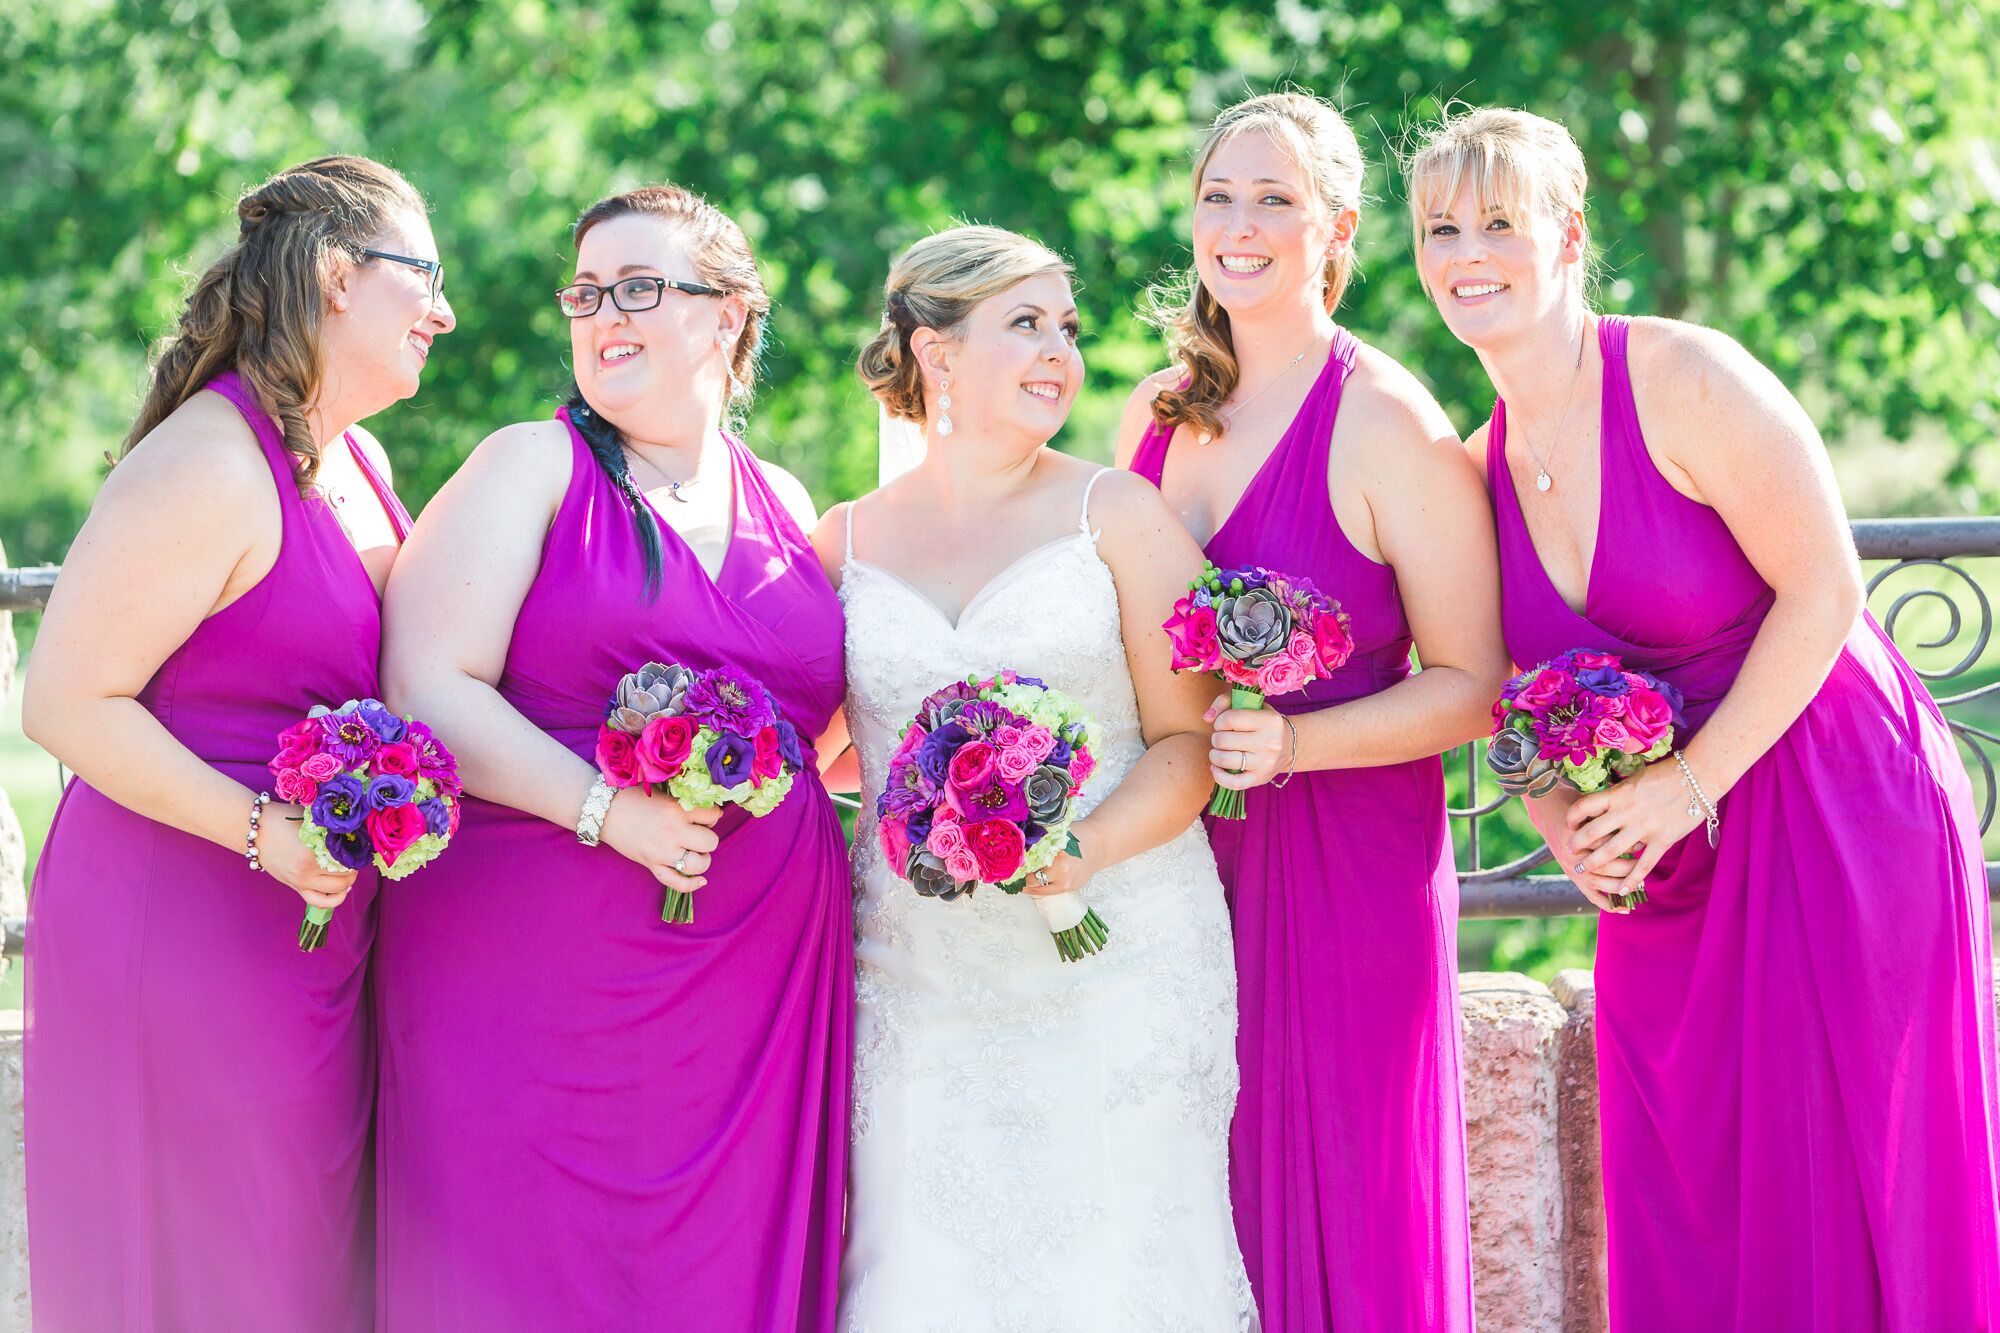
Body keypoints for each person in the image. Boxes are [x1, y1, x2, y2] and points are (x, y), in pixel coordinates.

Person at [1409, 103, 2000, 1326]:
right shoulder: (1473, 462)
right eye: (1440, 228)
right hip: (1669, 868)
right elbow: (1498, 688)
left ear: (1567, 236)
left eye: (1499, 223)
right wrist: (1561, 816)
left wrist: (1685, 785)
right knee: (1684, 1191)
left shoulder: (1685, 377)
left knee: (1845, 1172)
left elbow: (1827, 587)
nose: (1467, 251)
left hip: (1835, 805)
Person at [375, 184, 850, 1330]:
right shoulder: (529, 464)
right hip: (544, 985)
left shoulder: (784, 501)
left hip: (751, 1009)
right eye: (586, 293)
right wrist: (608, 809)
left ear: (728, 315)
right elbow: (427, 684)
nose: (604, 315)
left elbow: (823, 727)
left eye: (640, 287)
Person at [22, 154, 452, 1329]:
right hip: (182, 916)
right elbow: (64, 701)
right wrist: (263, 829)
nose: (445, 310)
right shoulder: (208, 462)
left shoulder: (357, 454)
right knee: (211, 1263)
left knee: (295, 1265)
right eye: (423, 274)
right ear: (332, 275)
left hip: (303, 921)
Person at [821, 225, 1254, 1329]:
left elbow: (1188, 744)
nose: (1059, 351)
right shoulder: (841, 542)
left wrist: (1077, 849)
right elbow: (823, 748)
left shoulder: (1114, 513)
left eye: (1066, 326)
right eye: (1024, 323)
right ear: (936, 352)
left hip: (1118, 967)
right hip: (918, 989)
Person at [1117, 93, 1500, 1330]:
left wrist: (1294, 743)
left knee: (1345, 1192)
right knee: (1192, 1191)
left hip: (1345, 870)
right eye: (1217, 196)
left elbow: (1474, 685)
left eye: (1275, 200)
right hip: (1178, 860)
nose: (1239, 225)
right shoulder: (1151, 412)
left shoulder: (1388, 421)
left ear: (1335, 229)